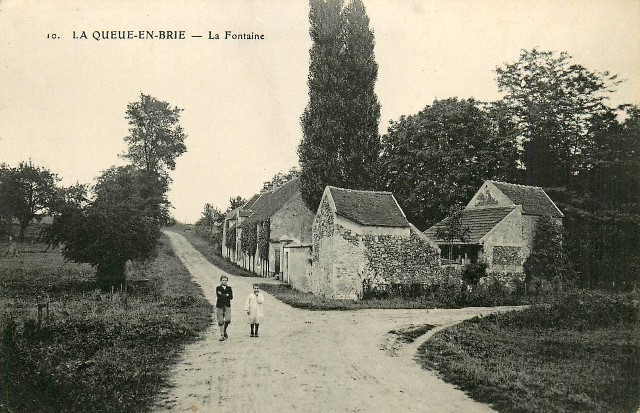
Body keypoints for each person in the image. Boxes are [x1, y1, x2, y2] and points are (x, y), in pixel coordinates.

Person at [215, 275, 233, 341]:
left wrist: (222, 295)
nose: (224, 281)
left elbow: (231, 297)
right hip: (220, 305)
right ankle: (222, 335)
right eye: (223, 280)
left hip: (227, 305)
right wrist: (226, 295)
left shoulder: (229, 288)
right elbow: (218, 296)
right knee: (220, 321)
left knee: (228, 320)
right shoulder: (218, 288)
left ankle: (225, 330)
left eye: (225, 280)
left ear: (227, 281)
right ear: (220, 281)